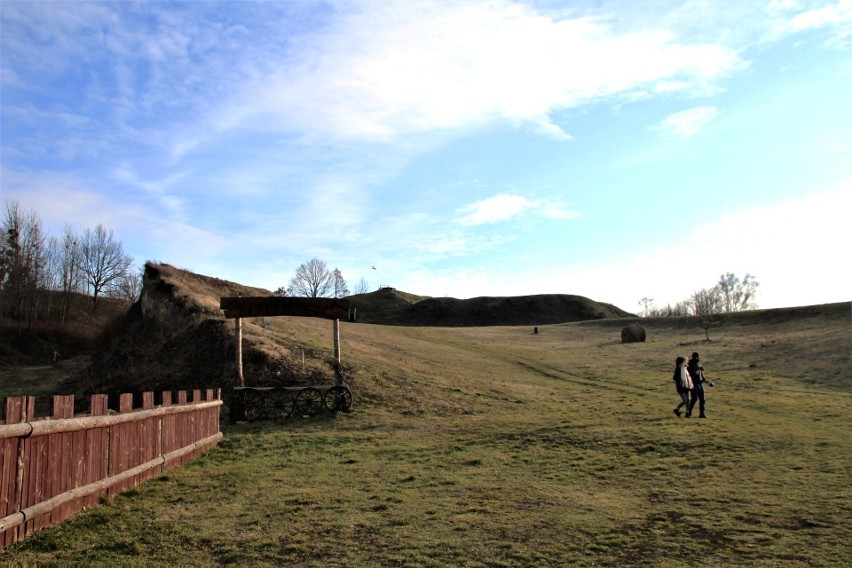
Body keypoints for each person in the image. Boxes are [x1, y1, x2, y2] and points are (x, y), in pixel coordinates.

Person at [687, 352, 714, 418]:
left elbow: (700, 375)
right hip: (693, 384)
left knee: (703, 399)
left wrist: (706, 381)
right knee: (694, 398)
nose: (698, 359)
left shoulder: (698, 364)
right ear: (693, 357)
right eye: (697, 357)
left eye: (698, 357)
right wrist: (697, 372)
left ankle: (702, 414)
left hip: (700, 384)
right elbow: (690, 374)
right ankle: (688, 412)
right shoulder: (690, 365)